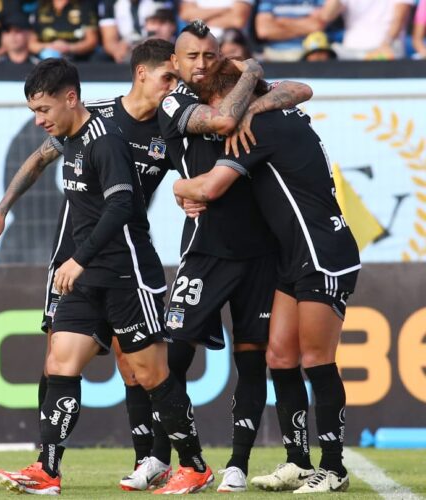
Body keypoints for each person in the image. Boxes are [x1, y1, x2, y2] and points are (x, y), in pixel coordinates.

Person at [0, 57, 213, 496]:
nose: (39, 121)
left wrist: (80, 259)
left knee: (151, 376)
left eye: (44, 110)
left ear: (71, 99)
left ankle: (195, 465)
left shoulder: (103, 142)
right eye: (34, 112)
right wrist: (2, 211)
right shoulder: (69, 138)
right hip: (86, 278)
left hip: (126, 274)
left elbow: (122, 206)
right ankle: (48, 471)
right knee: (59, 362)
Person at [172, 57, 360, 494]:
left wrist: (179, 189)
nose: (218, 120)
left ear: (230, 99)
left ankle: (333, 468)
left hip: (321, 252)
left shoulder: (260, 128)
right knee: (279, 357)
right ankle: (297, 460)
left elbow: (209, 188)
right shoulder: (272, 109)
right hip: (290, 257)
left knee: (317, 360)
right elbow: (301, 89)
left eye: (219, 106)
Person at [156, 19, 313, 493]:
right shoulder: (175, 101)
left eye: (209, 55)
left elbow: (302, 88)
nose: (201, 65)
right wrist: (250, 78)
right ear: (175, 62)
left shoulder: (237, 87)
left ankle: (239, 463)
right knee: (173, 359)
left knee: (254, 361)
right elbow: (223, 120)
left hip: (261, 251)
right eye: (192, 57)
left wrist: (254, 102)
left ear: (220, 55)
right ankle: (177, 460)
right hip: (204, 250)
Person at [318, 0, 414, 60]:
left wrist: (384, 46)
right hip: (350, 51)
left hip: (386, 50)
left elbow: (400, 18)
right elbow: (326, 16)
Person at [98, 0, 175, 63]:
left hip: (153, 43)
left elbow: (164, 30)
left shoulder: (157, 3)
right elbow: (109, 40)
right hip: (127, 46)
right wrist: (118, 51)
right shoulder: (111, 3)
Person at [255, 0, 325, 62]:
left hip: (308, 54)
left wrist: (281, 22)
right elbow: (264, 31)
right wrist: (305, 26)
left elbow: (317, 26)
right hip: (274, 54)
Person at [28, 0, 99, 61]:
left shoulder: (84, 5)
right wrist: (50, 46)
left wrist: (69, 48)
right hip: (46, 59)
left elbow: (92, 41)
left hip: (77, 59)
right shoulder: (42, 7)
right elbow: (32, 45)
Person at [178, 0, 253, 39]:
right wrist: (224, 10)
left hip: (229, 43)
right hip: (198, 41)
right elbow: (185, 14)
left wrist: (199, 18)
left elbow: (238, 21)